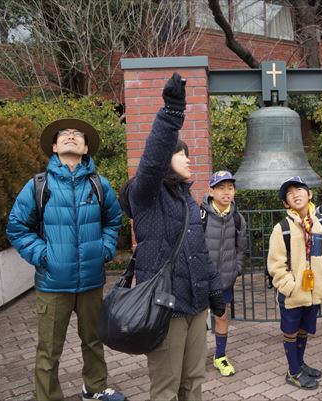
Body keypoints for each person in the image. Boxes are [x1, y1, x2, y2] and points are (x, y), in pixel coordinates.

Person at [120, 73, 225, 400]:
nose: (190, 160)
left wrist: (215, 292)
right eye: (183, 155)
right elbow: (150, 161)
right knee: (166, 387)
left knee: (193, 380)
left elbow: (199, 252)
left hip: (195, 305)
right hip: (165, 307)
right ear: (167, 159)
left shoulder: (187, 200)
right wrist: (172, 113)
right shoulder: (146, 195)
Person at [7, 118, 125, 401]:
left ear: (85, 149)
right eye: (64, 135)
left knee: (94, 341)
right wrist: (44, 255)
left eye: (77, 135)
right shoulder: (38, 185)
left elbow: (114, 220)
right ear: (54, 146)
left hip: (91, 282)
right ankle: (47, 396)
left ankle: (94, 389)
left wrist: (105, 249)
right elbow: (16, 227)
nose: (71, 137)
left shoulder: (99, 185)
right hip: (52, 283)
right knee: (49, 348)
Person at [267, 176, 322, 390]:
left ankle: (299, 363)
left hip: (314, 291)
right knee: (291, 330)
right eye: (290, 193)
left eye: (300, 189)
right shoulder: (282, 228)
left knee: (305, 329)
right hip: (292, 294)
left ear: (310, 194)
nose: (296, 194)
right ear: (286, 203)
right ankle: (293, 371)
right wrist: (290, 286)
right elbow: (276, 265)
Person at [200, 170, 247, 376]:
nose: (226, 193)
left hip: (224, 280)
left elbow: (241, 248)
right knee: (198, 319)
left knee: (221, 315)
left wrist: (236, 269)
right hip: (201, 280)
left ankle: (220, 356)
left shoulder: (237, 218)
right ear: (211, 191)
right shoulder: (199, 216)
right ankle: (196, 357)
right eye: (221, 188)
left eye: (230, 188)